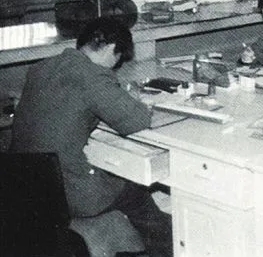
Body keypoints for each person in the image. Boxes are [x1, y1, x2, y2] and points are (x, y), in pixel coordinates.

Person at [10, 18, 173, 257]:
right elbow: (136, 121)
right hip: (70, 191)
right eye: (118, 58)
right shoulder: (92, 75)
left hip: (27, 183)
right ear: (111, 48)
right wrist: (135, 102)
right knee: (137, 194)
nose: (115, 66)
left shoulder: (43, 67)